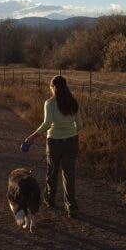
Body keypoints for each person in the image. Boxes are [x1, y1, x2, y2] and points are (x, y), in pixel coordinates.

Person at [23, 75, 80, 217]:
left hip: (54, 142)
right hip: (71, 142)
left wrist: (31, 138)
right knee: (69, 175)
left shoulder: (49, 103)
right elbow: (80, 124)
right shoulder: (73, 102)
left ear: (54, 87)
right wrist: (70, 133)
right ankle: (71, 207)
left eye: (50, 87)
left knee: (52, 172)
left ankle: (50, 199)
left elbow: (47, 124)